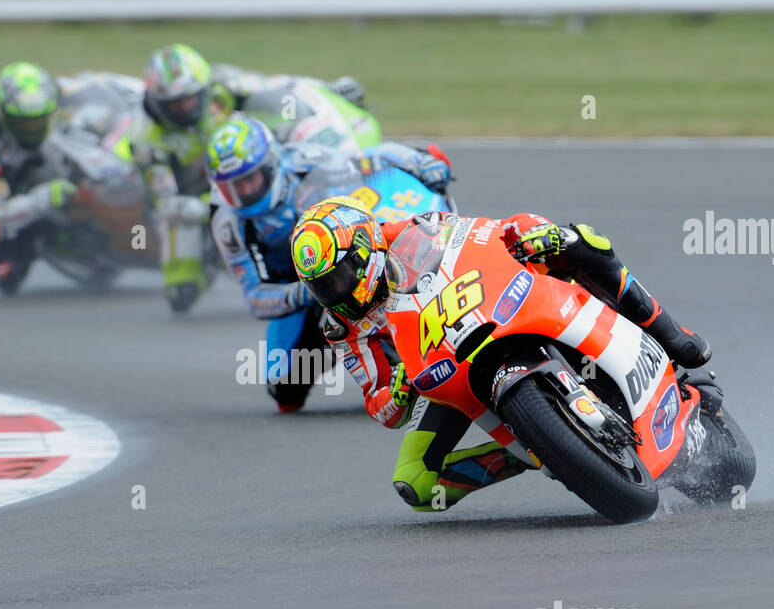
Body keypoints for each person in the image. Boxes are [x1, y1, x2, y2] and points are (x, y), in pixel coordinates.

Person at [289, 197, 711, 511]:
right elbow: (378, 405)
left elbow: (483, 232)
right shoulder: (340, 326)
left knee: (578, 240)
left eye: (339, 277)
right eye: (321, 286)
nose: (334, 293)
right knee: (416, 486)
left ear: (364, 250)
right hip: (440, 370)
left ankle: (672, 335)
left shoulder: (406, 232)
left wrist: (530, 233)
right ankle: (535, 450)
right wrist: (397, 392)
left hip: (490, 308)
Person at [206, 117, 452, 411]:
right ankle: (358, 348)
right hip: (298, 287)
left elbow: (370, 157)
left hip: (344, 256)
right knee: (283, 387)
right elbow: (256, 297)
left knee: (380, 264)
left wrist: (419, 162)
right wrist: (309, 292)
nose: (244, 192)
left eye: (249, 179)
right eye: (233, 187)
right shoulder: (227, 224)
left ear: (271, 164)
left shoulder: (305, 161)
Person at [136, 43, 368, 311]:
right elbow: (165, 202)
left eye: (189, 98)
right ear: (156, 103)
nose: (184, 108)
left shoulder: (223, 84)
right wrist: (208, 204)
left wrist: (329, 88)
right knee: (181, 290)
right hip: (198, 198)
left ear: (204, 87)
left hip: (245, 167)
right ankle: (203, 264)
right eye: (173, 105)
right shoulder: (146, 141)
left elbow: (279, 86)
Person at [0, 62, 78, 295]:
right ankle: (29, 239)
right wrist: (42, 199)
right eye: (24, 121)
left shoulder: (51, 92)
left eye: (39, 120)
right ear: (5, 110)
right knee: (7, 275)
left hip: (25, 151)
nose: (31, 128)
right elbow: (1, 210)